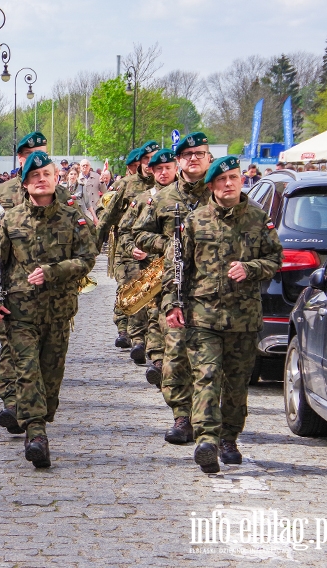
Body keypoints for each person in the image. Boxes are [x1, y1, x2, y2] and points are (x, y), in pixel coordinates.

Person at [163, 156, 282, 473]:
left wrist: (251, 267)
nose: (229, 183)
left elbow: (275, 260)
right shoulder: (195, 221)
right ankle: (207, 440)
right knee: (207, 377)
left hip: (243, 319)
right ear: (212, 185)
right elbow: (177, 269)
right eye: (222, 179)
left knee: (236, 386)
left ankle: (229, 439)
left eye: (234, 177)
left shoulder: (259, 219)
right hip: (203, 317)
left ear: (242, 180)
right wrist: (172, 305)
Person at [0, 151, 97, 469]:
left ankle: (41, 417)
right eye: (34, 176)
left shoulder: (74, 217)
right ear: (26, 185)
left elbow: (87, 258)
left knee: (50, 376)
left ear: (56, 178)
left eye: (46, 174)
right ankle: (36, 434)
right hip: (21, 312)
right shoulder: (11, 219)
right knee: (28, 373)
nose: (41, 179)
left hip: (58, 311)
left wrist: (54, 271)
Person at [132, 132, 213, 445]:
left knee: (208, 360)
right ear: (179, 160)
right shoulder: (163, 198)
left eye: (200, 153)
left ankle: (206, 420)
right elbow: (139, 234)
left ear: (208, 158)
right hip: (175, 287)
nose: (194, 159)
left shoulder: (220, 192)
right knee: (176, 355)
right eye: (187, 154)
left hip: (213, 290)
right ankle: (182, 416)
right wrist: (168, 245)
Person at [116, 149, 178, 375]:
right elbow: (125, 230)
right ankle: (155, 357)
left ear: (176, 168)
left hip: (180, 268)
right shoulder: (145, 199)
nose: (163, 173)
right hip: (150, 267)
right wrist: (132, 249)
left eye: (168, 168)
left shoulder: (190, 198)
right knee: (153, 312)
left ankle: (161, 357)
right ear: (151, 171)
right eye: (158, 169)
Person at [96, 144, 155, 351]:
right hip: (127, 245)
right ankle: (128, 331)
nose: (149, 164)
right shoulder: (125, 185)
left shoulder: (167, 184)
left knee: (152, 294)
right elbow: (104, 212)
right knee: (129, 287)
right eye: (146, 159)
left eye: (153, 159)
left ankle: (147, 339)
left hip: (155, 248)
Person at [78, 159, 102, 225]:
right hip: (84, 209)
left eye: (87, 165)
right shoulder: (77, 178)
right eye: (83, 165)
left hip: (96, 208)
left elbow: (104, 191)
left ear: (90, 167)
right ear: (80, 167)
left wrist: (102, 182)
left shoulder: (97, 176)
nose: (85, 167)